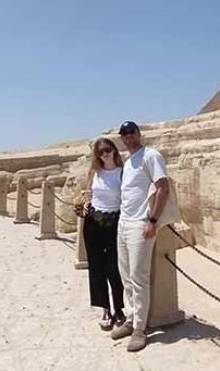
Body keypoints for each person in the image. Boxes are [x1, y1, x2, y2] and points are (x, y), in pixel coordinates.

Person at [109, 121, 170, 352]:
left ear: (139, 134)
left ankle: (140, 329)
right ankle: (131, 318)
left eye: (131, 132)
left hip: (140, 225)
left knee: (139, 277)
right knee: (125, 274)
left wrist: (152, 221)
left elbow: (163, 187)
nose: (128, 136)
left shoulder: (150, 155)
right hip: (124, 224)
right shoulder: (127, 161)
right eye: (123, 133)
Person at [79, 137, 127, 331]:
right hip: (93, 223)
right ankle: (105, 309)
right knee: (96, 268)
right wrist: (85, 203)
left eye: (108, 150)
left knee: (115, 268)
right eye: (100, 152)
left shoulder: (123, 173)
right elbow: (89, 192)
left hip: (115, 223)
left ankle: (120, 309)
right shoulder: (95, 172)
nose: (105, 154)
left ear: (114, 150)